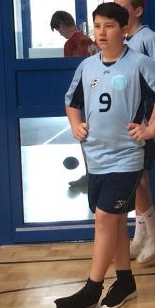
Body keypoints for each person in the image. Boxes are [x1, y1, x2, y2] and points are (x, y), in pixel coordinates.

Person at [55, 2, 155, 308]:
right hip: (95, 157)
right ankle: (125, 281)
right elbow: (71, 102)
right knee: (115, 220)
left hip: (126, 157)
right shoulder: (87, 67)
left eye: (109, 26)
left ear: (124, 30)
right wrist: (75, 123)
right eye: (97, 26)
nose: (101, 32)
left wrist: (151, 128)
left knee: (104, 219)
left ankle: (91, 288)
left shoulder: (139, 63)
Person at [111, 0, 155, 264]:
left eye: (122, 8)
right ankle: (141, 235)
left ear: (137, 11)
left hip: (146, 119)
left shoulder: (149, 39)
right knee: (137, 178)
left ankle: (154, 233)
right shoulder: (122, 40)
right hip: (128, 120)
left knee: (137, 178)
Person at [51, 11, 97, 189]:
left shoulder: (71, 43)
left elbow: (73, 73)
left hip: (82, 96)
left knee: (84, 136)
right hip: (94, 92)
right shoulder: (88, 40)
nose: (60, 33)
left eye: (58, 29)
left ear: (62, 25)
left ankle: (91, 175)